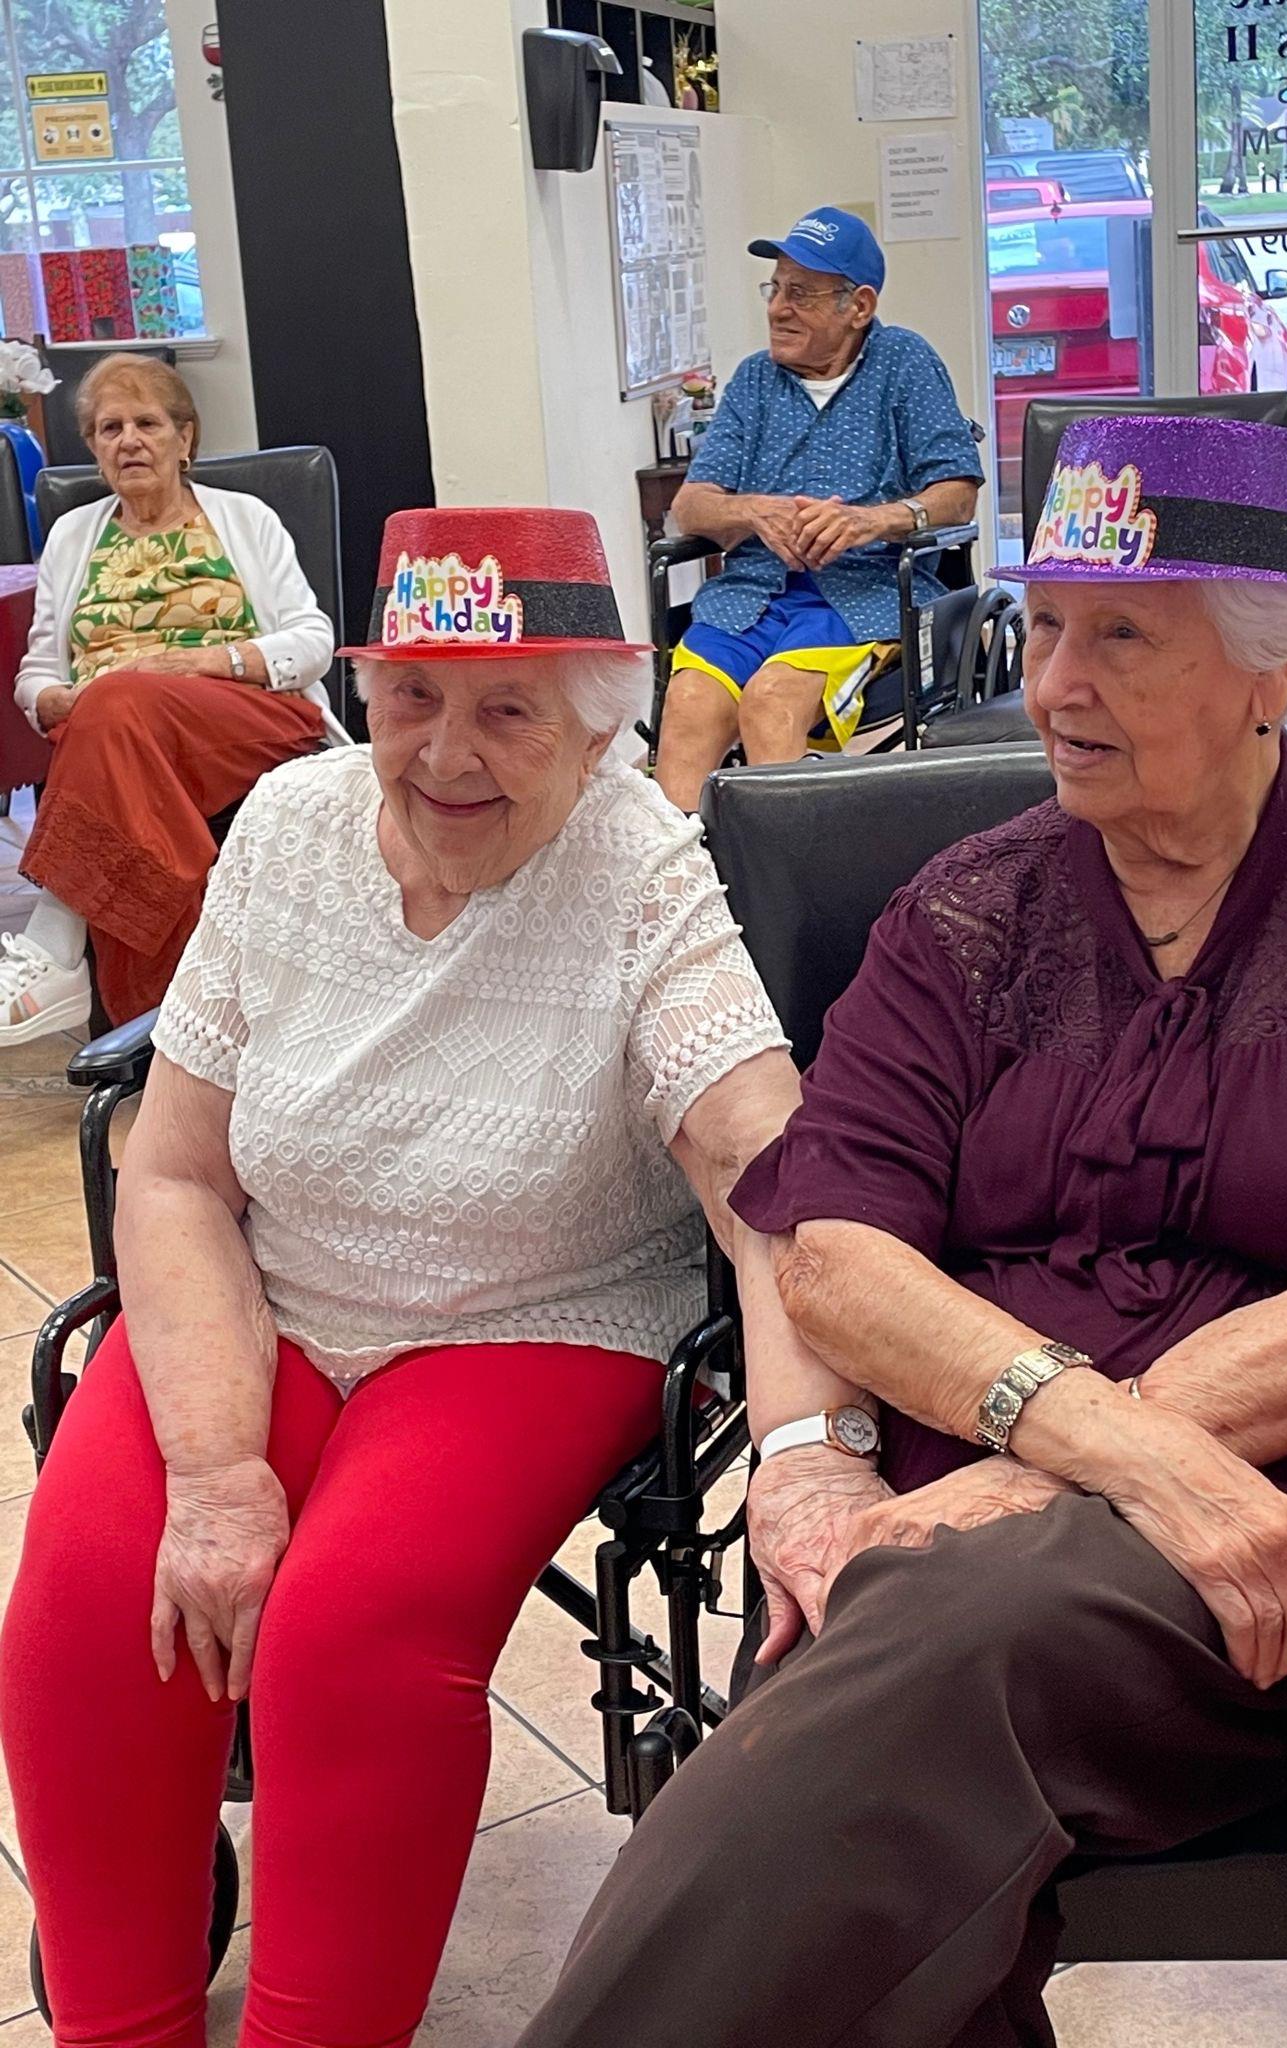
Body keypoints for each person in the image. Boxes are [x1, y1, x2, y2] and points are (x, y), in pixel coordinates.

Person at [518, 417, 1287, 2048]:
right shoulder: (967, 909)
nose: (1054, 683)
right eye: (1047, 622)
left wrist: (1076, 1465)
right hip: (983, 1527)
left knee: (886, 1690)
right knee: (873, 1778)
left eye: (1122, 636)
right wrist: (1078, 1445)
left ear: (1272, 670)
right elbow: (834, 1248)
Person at [0, 507, 803, 2048]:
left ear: (595, 729)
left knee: (352, 1638)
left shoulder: (642, 869)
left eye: (508, 709)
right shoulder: (291, 829)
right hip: (277, 1284)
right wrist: (218, 1470)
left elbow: (762, 1179)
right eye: (412, 697)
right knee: (97, 1600)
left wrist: (806, 1455)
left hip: (535, 1310)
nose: (447, 749)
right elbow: (171, 1174)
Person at [0, 353, 344, 1043]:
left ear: (185, 439)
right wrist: (52, 700)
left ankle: (60, 944)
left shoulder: (245, 518)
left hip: (247, 717)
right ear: (94, 447)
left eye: (147, 423)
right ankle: (190, 1034)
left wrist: (208, 661)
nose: (129, 440)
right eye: (108, 427)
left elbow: (313, 639)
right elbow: (35, 671)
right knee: (121, 740)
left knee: (121, 706)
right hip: (115, 730)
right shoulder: (73, 535)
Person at [655, 206, 984, 809]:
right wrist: (753, 512)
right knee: (689, 708)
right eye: (776, 289)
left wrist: (870, 521)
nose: (779, 308)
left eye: (801, 293)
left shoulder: (905, 364)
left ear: (857, 307)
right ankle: (686, 889)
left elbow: (956, 491)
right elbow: (691, 506)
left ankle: (781, 892)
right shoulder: (754, 381)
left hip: (865, 597)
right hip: (749, 596)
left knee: (771, 701)